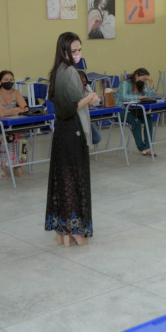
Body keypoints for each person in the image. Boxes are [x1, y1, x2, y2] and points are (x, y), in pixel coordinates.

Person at [44, 32, 100, 247]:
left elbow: (72, 101)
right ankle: (73, 228)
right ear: (64, 51)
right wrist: (89, 98)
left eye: (79, 50)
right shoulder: (68, 72)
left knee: (67, 180)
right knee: (72, 181)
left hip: (65, 131)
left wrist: (87, 98)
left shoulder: (60, 70)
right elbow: (67, 109)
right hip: (71, 131)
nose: (78, 54)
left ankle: (64, 228)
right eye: (74, 51)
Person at [0, 70, 29, 180]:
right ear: (0, 81)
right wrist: (16, 109)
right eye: (6, 80)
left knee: (22, 137)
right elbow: (0, 114)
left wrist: (13, 111)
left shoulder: (16, 92)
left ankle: (18, 165)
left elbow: (25, 109)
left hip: (12, 126)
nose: (9, 82)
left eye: (11, 80)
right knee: (7, 138)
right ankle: (0, 166)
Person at [115, 68, 157, 156]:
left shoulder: (141, 85)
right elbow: (124, 97)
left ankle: (148, 146)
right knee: (135, 120)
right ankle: (141, 148)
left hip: (134, 110)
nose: (143, 81)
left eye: (145, 80)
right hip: (120, 110)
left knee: (148, 119)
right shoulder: (125, 84)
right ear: (136, 76)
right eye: (143, 79)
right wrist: (139, 97)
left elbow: (148, 97)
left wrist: (151, 83)